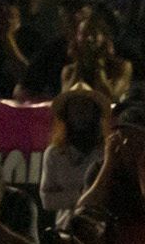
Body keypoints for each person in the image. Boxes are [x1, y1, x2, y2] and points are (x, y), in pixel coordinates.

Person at [76, 100, 145, 232]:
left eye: (135, 137)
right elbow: (84, 212)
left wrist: (144, 168)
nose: (126, 143)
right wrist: (108, 165)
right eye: (122, 136)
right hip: (113, 240)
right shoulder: (99, 168)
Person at [40, 85, 110, 228]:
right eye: (75, 107)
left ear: (95, 112)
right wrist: (85, 195)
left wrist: (66, 196)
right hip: (66, 228)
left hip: (101, 228)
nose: (80, 112)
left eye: (85, 106)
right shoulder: (55, 153)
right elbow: (47, 200)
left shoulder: (107, 152)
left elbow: (110, 196)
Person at [17, 0, 92, 100]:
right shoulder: (51, 50)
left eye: (79, 10)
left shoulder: (105, 49)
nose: (76, 16)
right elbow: (22, 90)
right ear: (61, 15)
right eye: (70, 11)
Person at [60, 4, 133, 101]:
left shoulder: (122, 67)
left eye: (94, 33)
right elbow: (66, 99)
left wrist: (99, 66)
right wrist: (79, 64)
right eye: (84, 34)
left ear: (104, 37)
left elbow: (111, 98)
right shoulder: (68, 71)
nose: (89, 39)